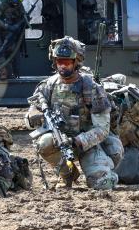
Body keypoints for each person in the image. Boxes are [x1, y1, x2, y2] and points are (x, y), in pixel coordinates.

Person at [25, 36, 121, 189]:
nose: (62, 66)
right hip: (60, 140)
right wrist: (32, 116)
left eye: (67, 62)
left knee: (101, 184)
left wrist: (76, 141)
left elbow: (102, 130)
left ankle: (109, 172)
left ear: (76, 62)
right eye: (59, 62)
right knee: (43, 143)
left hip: (89, 144)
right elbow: (33, 110)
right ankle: (68, 175)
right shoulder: (48, 85)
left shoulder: (91, 88)